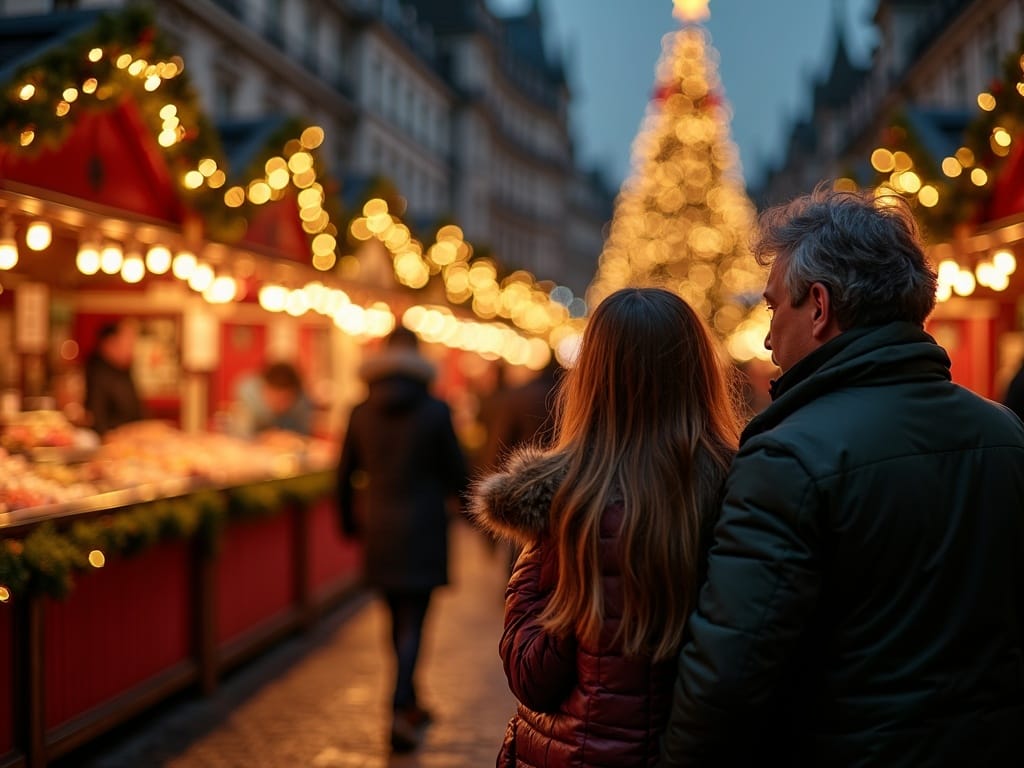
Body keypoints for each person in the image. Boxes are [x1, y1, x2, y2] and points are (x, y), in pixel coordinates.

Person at [658, 187, 1024, 767]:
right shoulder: (1006, 436)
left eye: (774, 307)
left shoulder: (788, 458)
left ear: (820, 307)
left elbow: (729, 673)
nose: (770, 336)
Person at [470, 288, 740, 767]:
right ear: (700, 375)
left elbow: (532, 674)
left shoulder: (566, 504)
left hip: (582, 752)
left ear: (590, 381)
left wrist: (555, 582)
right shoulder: (742, 489)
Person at [336, 326, 468, 754]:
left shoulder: (360, 410)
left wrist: (349, 524)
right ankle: (400, 704)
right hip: (425, 526)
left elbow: (343, 474)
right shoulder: (435, 409)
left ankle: (410, 700)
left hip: (379, 525)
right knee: (416, 619)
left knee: (393, 618)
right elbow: (456, 473)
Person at [84, 319, 143, 435]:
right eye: (128, 344)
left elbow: (137, 411)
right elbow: (98, 422)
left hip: (132, 437)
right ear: (110, 343)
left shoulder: (124, 370)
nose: (132, 349)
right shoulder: (96, 372)